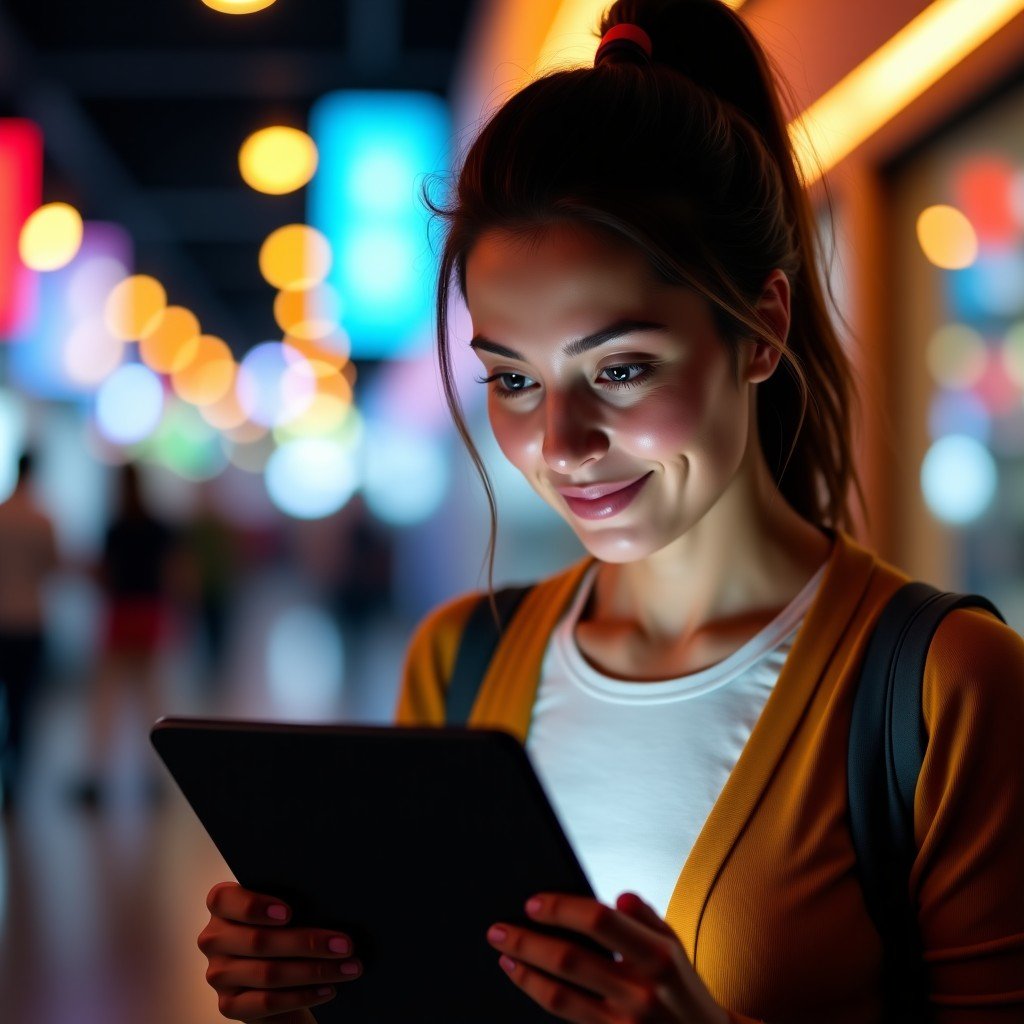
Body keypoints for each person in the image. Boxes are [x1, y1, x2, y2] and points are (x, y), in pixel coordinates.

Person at [196, 2, 1024, 1021]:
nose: (559, 443)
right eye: (512, 379)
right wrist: (317, 989)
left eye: (620, 368)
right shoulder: (459, 661)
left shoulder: (941, 689)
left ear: (760, 328)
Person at [69, 462, 180, 809]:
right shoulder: (157, 527)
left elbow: (104, 574)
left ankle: (98, 775)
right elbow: (174, 573)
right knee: (149, 696)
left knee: (107, 699)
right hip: (148, 615)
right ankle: (155, 778)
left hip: (120, 616)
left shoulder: (116, 527)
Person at [0, 450, 58, 813]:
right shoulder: (41, 519)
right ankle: (14, 774)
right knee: (24, 703)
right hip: (30, 621)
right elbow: (51, 565)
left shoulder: (1, 514)